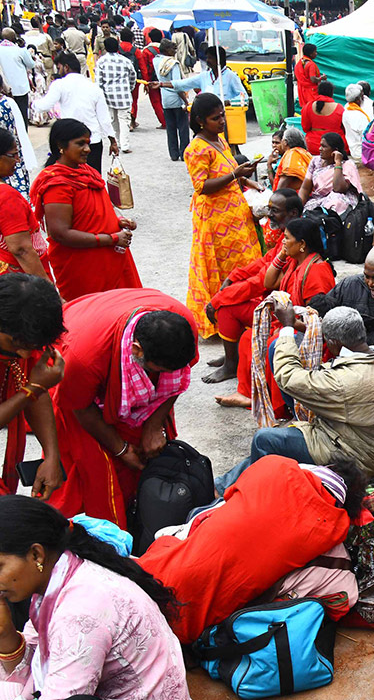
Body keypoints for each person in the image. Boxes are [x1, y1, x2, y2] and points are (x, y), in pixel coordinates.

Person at [0, 496, 193, 700]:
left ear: (36, 553)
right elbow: (37, 666)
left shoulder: (79, 613)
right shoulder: (58, 576)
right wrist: (5, 636)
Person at [140, 456, 362, 643]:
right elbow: (345, 600)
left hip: (152, 572)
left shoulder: (274, 465)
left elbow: (228, 497)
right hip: (187, 627)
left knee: (205, 517)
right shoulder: (333, 528)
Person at [48, 289, 196, 527]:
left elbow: (177, 380)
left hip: (107, 328)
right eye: (159, 370)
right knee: (94, 472)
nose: (166, 376)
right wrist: (122, 450)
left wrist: (154, 425)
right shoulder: (82, 360)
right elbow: (80, 409)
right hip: (76, 358)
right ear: (137, 350)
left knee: (147, 457)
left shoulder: (182, 325)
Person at [222, 301, 374, 483]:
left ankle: (248, 490)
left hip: (354, 458)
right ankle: (222, 486)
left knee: (264, 440)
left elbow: (286, 376)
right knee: (273, 446)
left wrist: (287, 328)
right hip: (373, 443)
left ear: (333, 342)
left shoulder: (340, 382)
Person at [29, 118, 140, 301]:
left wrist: (118, 222)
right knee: (91, 317)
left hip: (112, 258)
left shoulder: (87, 172)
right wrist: (111, 238)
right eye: (80, 144)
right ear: (60, 145)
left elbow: (94, 211)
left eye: (88, 143)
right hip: (83, 267)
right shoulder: (57, 184)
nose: (88, 149)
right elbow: (60, 233)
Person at [204, 187, 304, 383]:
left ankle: (231, 364)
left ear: (293, 213)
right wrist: (233, 277)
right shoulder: (288, 234)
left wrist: (219, 299)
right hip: (277, 304)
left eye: (275, 210)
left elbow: (263, 281)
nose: (270, 215)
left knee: (226, 307)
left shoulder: (297, 240)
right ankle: (232, 356)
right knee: (230, 297)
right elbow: (265, 262)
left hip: (285, 314)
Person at [183, 93, 262, 340]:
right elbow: (202, 186)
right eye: (215, 118)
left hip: (235, 214)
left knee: (243, 262)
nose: (222, 121)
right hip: (215, 219)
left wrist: (247, 178)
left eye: (222, 116)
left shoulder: (220, 141)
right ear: (200, 121)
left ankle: (245, 312)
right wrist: (234, 175)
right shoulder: (196, 148)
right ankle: (220, 317)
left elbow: (230, 171)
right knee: (220, 266)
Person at [0, 275, 65, 498]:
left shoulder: (21, 336)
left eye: (32, 347)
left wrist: (51, 456)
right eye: (16, 345)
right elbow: (34, 389)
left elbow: (37, 395)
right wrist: (32, 389)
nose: (25, 355)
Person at [32, 51, 116, 172]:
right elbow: (104, 118)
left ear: (66, 67)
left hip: (70, 142)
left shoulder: (60, 84)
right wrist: (112, 141)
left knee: (70, 178)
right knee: (93, 178)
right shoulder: (93, 86)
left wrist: (33, 104)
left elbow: (44, 105)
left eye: (59, 67)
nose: (58, 70)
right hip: (93, 140)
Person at [0, 130, 49, 277]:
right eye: (13, 155)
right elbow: (21, 249)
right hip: (19, 279)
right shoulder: (6, 196)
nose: (18, 160)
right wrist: (46, 288)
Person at [299, 130, 361, 216]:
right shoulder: (316, 161)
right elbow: (305, 188)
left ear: (335, 150)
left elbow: (338, 188)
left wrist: (338, 163)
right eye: (320, 145)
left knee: (336, 201)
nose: (320, 149)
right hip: (318, 200)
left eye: (324, 146)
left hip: (339, 201)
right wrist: (299, 207)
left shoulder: (347, 165)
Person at [94, 38, 135, 153]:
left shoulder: (101, 62)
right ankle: (125, 145)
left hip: (108, 96)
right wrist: (129, 88)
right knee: (124, 120)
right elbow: (133, 76)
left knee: (112, 120)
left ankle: (116, 141)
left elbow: (98, 82)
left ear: (105, 48)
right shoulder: (125, 60)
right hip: (124, 95)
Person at [153, 39, 188, 161]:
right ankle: (184, 152)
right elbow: (177, 84)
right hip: (176, 99)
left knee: (171, 127)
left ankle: (173, 153)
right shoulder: (173, 64)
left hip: (165, 99)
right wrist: (186, 101)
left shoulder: (156, 61)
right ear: (167, 50)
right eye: (173, 49)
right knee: (183, 127)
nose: (175, 51)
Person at [183, 45, 247, 105]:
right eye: (207, 58)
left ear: (218, 60)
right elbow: (186, 83)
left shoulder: (231, 76)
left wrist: (229, 102)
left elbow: (244, 97)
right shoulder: (205, 75)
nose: (207, 60)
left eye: (210, 58)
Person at [342, 82, 372, 196]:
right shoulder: (356, 115)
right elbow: (367, 136)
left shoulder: (347, 109)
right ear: (359, 99)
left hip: (355, 149)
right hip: (362, 153)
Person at [0, 28, 35, 121]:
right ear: (14, 37)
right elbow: (31, 64)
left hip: (3, 88)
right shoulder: (20, 50)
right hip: (20, 88)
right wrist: (24, 48)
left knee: (7, 114)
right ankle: (22, 134)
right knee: (22, 114)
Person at [300, 80, 343, 154]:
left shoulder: (308, 106)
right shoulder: (339, 108)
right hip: (334, 146)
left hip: (312, 145)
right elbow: (344, 128)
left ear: (318, 91)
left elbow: (305, 128)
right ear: (331, 93)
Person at [272, 125, 312, 191]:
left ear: (285, 142)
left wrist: (275, 198)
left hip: (296, 198)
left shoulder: (292, 154)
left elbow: (284, 181)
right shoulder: (305, 153)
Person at [295, 42, 324, 111]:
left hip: (302, 90)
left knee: (306, 110)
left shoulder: (300, 62)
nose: (316, 54)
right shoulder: (311, 65)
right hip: (311, 92)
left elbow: (295, 77)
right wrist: (322, 78)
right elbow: (313, 79)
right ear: (311, 54)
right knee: (313, 109)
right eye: (315, 52)